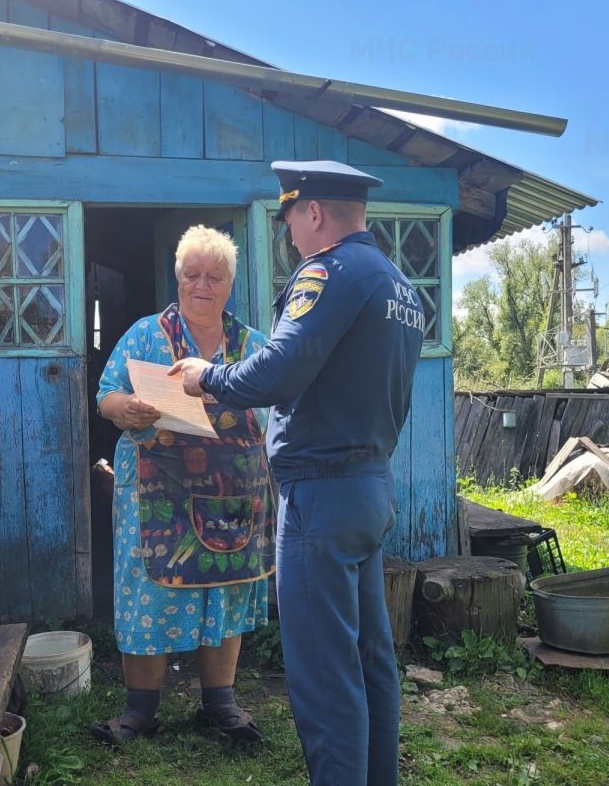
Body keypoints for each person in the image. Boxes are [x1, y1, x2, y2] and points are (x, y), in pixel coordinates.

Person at [170, 160, 423, 785]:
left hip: (321, 496)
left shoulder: (330, 271)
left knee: (323, 676)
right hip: (368, 487)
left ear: (313, 213)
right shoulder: (400, 285)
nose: (290, 237)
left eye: (290, 221)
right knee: (370, 664)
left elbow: (281, 368)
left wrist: (209, 378)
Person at [92, 225, 274, 746]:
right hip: (156, 494)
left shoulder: (253, 346)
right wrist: (125, 408)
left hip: (232, 495)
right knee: (147, 593)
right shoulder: (145, 334)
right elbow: (106, 395)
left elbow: (276, 409)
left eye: (214, 276)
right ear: (177, 278)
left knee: (224, 589)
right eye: (192, 274)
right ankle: (139, 713)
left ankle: (221, 705)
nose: (202, 284)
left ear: (230, 284)